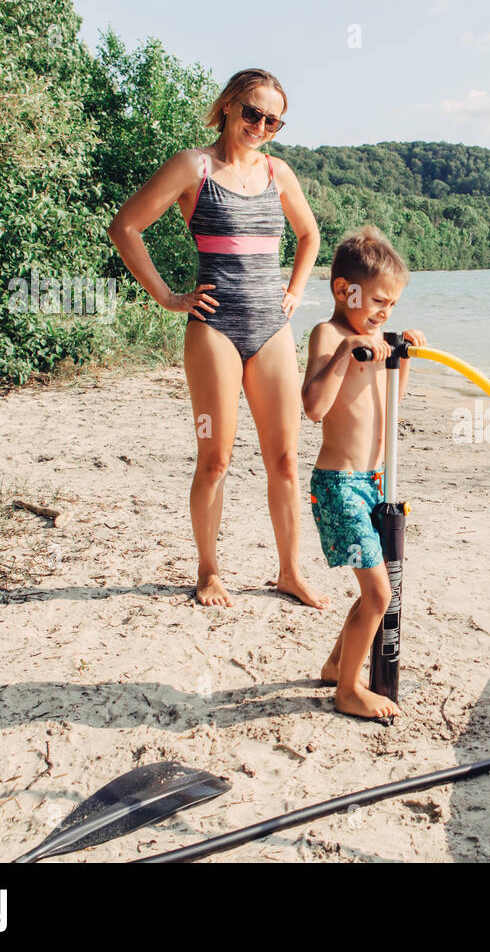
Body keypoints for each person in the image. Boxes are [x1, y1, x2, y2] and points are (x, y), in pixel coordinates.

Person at [108, 69, 328, 611]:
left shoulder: (279, 173)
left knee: (285, 461)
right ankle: (208, 573)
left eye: (272, 120)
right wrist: (166, 295)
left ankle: (289, 573)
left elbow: (310, 235)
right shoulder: (194, 166)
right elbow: (125, 227)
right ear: (229, 105)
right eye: (252, 112)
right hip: (214, 329)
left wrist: (296, 290)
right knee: (215, 459)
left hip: (272, 328)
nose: (260, 125)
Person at [301, 227, 426, 720]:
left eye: (392, 305)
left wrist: (402, 359)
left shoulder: (374, 340)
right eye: (377, 300)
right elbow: (313, 407)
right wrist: (342, 353)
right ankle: (348, 690)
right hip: (338, 487)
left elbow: (393, 406)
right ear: (342, 290)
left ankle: (337, 665)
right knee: (379, 591)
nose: (384, 313)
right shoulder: (329, 335)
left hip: (375, 484)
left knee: (373, 589)